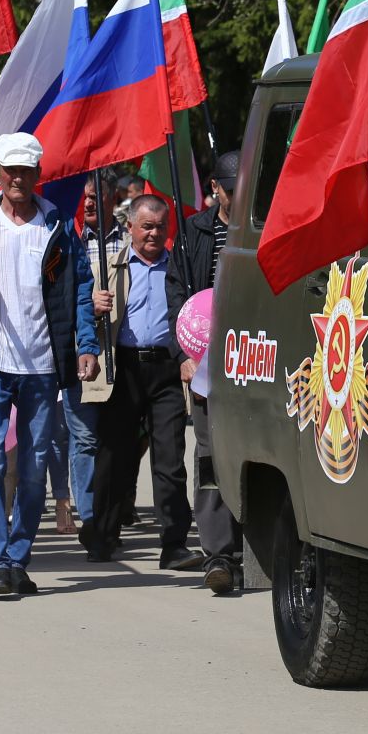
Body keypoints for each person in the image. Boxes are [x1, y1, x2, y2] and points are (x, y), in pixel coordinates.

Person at [0, 132, 100, 598]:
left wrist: (85, 343)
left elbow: (81, 288)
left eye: (26, 170)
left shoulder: (56, 225)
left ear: (37, 175)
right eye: (10, 170)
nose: (17, 178)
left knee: (31, 469)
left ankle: (17, 557)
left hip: (42, 367)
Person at [87, 193, 202, 571]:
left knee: (169, 460)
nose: (153, 234)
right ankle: (103, 534)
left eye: (160, 227)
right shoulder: (111, 267)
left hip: (168, 370)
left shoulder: (178, 267)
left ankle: (174, 543)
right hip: (125, 370)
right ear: (130, 228)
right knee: (113, 457)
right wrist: (94, 306)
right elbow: (83, 315)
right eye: (146, 226)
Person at [169, 149, 244, 594]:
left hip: (257, 361)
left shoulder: (264, 226)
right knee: (211, 453)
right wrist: (184, 352)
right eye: (231, 191)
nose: (239, 198)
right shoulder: (194, 233)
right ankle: (219, 554)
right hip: (206, 367)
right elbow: (176, 290)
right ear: (215, 188)